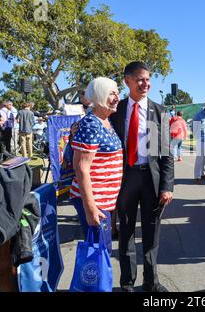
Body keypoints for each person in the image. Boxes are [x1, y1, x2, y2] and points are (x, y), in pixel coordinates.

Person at [109, 61, 174, 293]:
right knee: (125, 231)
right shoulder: (117, 110)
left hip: (151, 180)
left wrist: (167, 186)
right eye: (139, 79)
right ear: (127, 81)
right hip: (125, 179)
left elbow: (165, 153)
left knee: (151, 233)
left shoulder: (160, 111)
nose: (145, 83)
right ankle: (127, 283)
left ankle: (151, 283)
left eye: (147, 79)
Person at [69, 77, 123, 258]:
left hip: (103, 201)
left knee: (102, 252)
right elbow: (81, 168)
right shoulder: (91, 124)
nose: (117, 97)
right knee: (99, 255)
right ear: (99, 95)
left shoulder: (105, 121)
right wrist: (90, 207)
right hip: (96, 202)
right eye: (112, 93)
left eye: (117, 93)